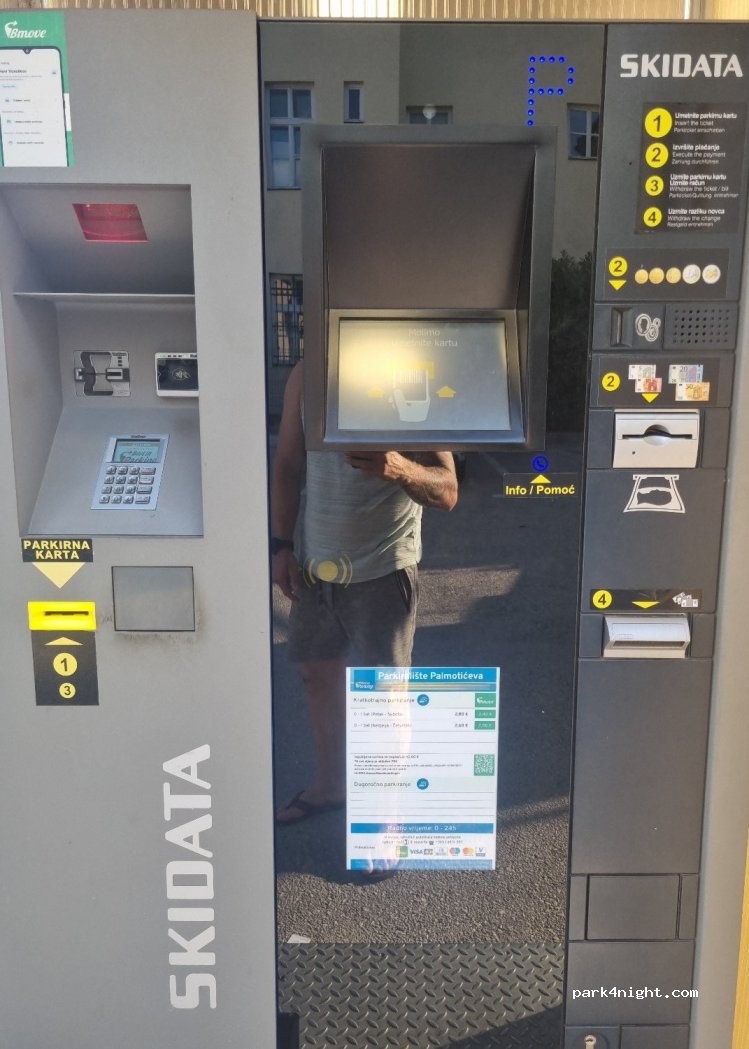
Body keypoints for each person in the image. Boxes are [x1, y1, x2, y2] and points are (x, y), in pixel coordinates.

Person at [271, 361, 458, 824]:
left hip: (383, 568)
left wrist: (399, 468)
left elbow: (448, 489)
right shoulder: (308, 374)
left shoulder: (414, 377)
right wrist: (281, 546)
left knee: (385, 696)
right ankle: (331, 786)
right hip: (316, 567)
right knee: (317, 676)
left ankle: (386, 815)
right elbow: (289, 464)